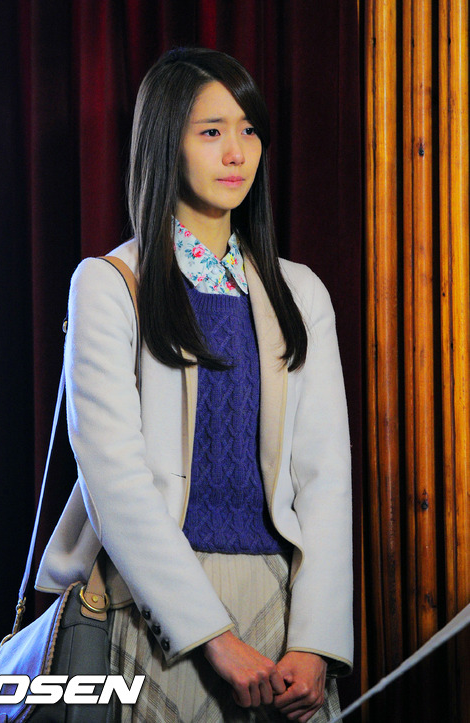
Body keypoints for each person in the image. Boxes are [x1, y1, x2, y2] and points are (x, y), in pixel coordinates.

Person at [36, 47, 353, 722]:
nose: (237, 152)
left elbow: (325, 479)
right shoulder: (109, 285)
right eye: (211, 131)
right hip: (153, 610)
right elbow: (113, 479)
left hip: (280, 607)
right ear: (165, 141)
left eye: (249, 129)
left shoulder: (300, 292)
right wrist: (213, 636)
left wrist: (316, 643)